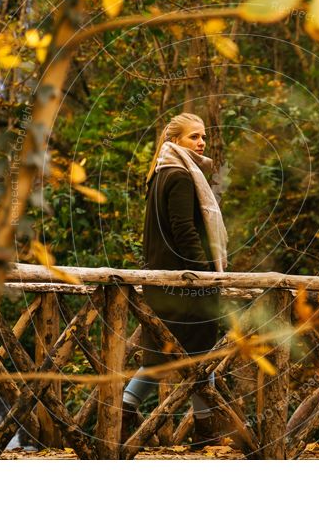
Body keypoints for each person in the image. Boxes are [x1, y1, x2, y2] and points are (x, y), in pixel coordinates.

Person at [121, 112, 229, 449]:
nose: (201, 143)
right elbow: (183, 231)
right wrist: (201, 275)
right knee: (199, 353)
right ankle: (203, 428)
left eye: (203, 137)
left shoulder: (159, 174)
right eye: (194, 137)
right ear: (175, 141)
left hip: (163, 278)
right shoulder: (181, 176)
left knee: (168, 352)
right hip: (183, 282)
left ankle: (132, 411)